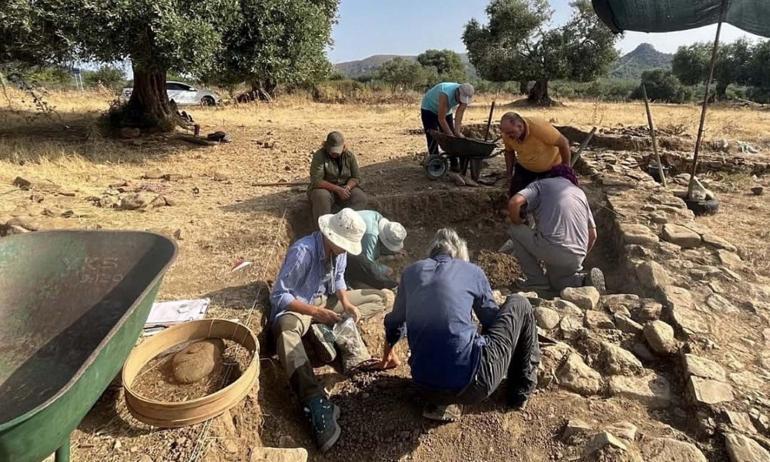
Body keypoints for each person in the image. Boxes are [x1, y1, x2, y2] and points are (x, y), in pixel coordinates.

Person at [379, 228, 540, 421]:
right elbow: (492, 320)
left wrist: (387, 355)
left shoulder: (410, 272)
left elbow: (395, 322)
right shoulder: (472, 271)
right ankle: (520, 393)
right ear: (457, 252)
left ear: (432, 251)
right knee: (518, 302)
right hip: (474, 387)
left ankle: (439, 401)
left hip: (423, 387)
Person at [269, 208, 391, 452]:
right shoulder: (302, 252)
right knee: (285, 329)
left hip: (326, 301)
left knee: (380, 298)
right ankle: (314, 400)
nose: (347, 249)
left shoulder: (339, 253)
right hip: (302, 307)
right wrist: (316, 313)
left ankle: (327, 330)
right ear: (332, 237)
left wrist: (345, 303)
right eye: (345, 244)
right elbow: (279, 296)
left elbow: (339, 280)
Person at [506, 166, 605, 294]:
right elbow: (593, 235)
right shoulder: (580, 193)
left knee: (515, 229)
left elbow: (514, 203)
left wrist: (517, 221)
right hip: (577, 256)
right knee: (557, 282)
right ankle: (583, 281)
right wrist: (575, 257)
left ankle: (536, 281)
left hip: (553, 249)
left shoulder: (540, 185)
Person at [500, 112, 572, 198]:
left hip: (550, 168)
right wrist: (509, 174)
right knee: (515, 197)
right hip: (525, 167)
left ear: (520, 126)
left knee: (549, 197)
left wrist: (565, 168)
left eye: (511, 132)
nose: (508, 136)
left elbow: (564, 143)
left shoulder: (540, 128)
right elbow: (509, 152)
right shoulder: (506, 135)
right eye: (506, 133)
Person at [309, 131, 367, 226]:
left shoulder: (349, 156)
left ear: (344, 146)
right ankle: (323, 229)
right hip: (325, 189)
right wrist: (337, 189)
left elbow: (356, 177)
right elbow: (316, 180)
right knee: (321, 197)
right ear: (325, 145)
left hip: (344, 187)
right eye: (332, 151)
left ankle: (347, 225)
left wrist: (347, 187)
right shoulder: (319, 156)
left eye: (337, 151)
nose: (334, 154)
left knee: (360, 198)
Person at [345, 210, 407, 290]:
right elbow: (368, 266)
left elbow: (378, 245)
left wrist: (392, 252)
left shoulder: (377, 218)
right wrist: (383, 269)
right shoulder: (370, 236)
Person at [420, 82, 475, 170]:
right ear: (457, 92)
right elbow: (441, 119)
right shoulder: (445, 93)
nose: (461, 101)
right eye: (460, 99)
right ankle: (435, 163)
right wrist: (451, 136)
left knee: (452, 135)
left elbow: (459, 114)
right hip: (429, 108)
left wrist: (457, 132)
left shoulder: (466, 94)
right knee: (433, 135)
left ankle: (454, 164)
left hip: (446, 110)